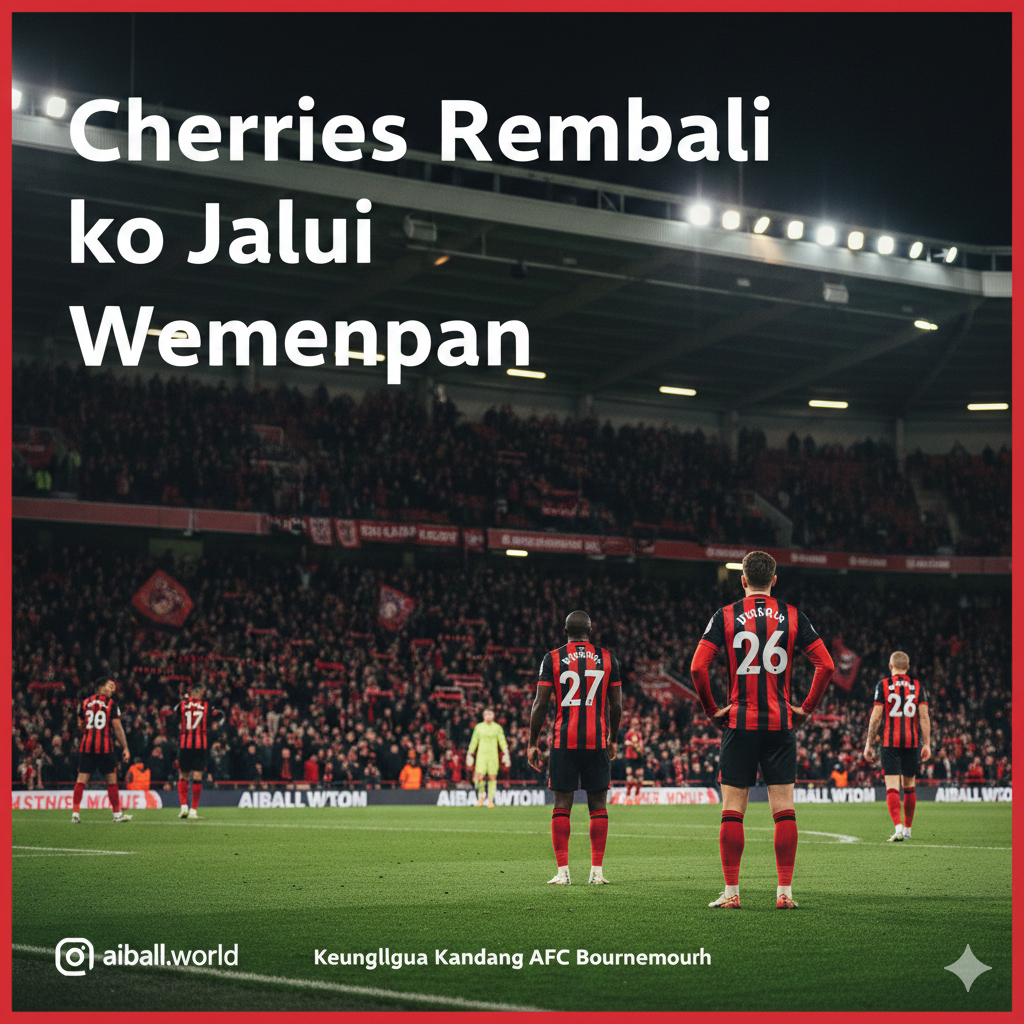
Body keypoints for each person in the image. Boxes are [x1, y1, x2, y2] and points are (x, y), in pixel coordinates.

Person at [689, 550, 834, 909]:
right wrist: (805, 709)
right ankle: (784, 893)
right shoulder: (793, 616)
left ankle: (731, 893)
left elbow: (697, 667)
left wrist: (711, 710)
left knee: (733, 810)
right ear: (774, 579)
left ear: (742, 580)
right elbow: (826, 665)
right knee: (783, 810)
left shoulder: (725, 615)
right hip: (780, 723)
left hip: (740, 722)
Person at [527, 610, 622, 886]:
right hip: (596, 741)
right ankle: (597, 871)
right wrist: (613, 738)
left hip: (563, 741)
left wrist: (533, 742)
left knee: (561, 805)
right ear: (590, 630)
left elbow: (540, 703)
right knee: (598, 806)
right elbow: (616, 705)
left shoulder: (552, 658)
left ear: (565, 630)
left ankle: (563, 872)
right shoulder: (607, 658)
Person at [863, 651, 931, 842]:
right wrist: (928, 744)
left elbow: (876, 716)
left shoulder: (883, 685)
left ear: (890, 666)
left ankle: (898, 827)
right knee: (909, 786)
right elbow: (924, 717)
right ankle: (908, 830)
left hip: (889, 742)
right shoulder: (917, 686)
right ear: (908, 668)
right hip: (912, 743)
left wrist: (868, 743)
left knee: (892, 787)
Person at [71, 675, 133, 823]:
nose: (113, 689)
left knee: (81, 781)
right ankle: (117, 815)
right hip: (105, 748)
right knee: (111, 781)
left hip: (87, 747)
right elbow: (117, 727)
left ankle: (75, 814)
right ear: (102, 687)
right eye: (110, 686)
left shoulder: (85, 703)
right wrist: (125, 747)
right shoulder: (111, 704)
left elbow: (80, 724)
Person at [174, 684, 222, 819]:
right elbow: (217, 717)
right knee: (197, 777)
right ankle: (193, 811)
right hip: (200, 746)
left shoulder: (182, 704)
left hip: (185, 745)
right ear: (201, 692)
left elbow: (174, 716)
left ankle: (183, 806)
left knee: (183, 776)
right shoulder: (207, 705)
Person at [466, 708, 510, 807]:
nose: (488, 716)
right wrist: (469, 752)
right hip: (481, 756)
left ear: (493, 716)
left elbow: (502, 740)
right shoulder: (479, 727)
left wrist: (506, 752)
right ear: (483, 716)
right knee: (479, 778)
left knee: (492, 777)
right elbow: (474, 741)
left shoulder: (497, 728)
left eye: (490, 714)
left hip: (493, 756)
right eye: (487, 714)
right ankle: (481, 798)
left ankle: (490, 800)